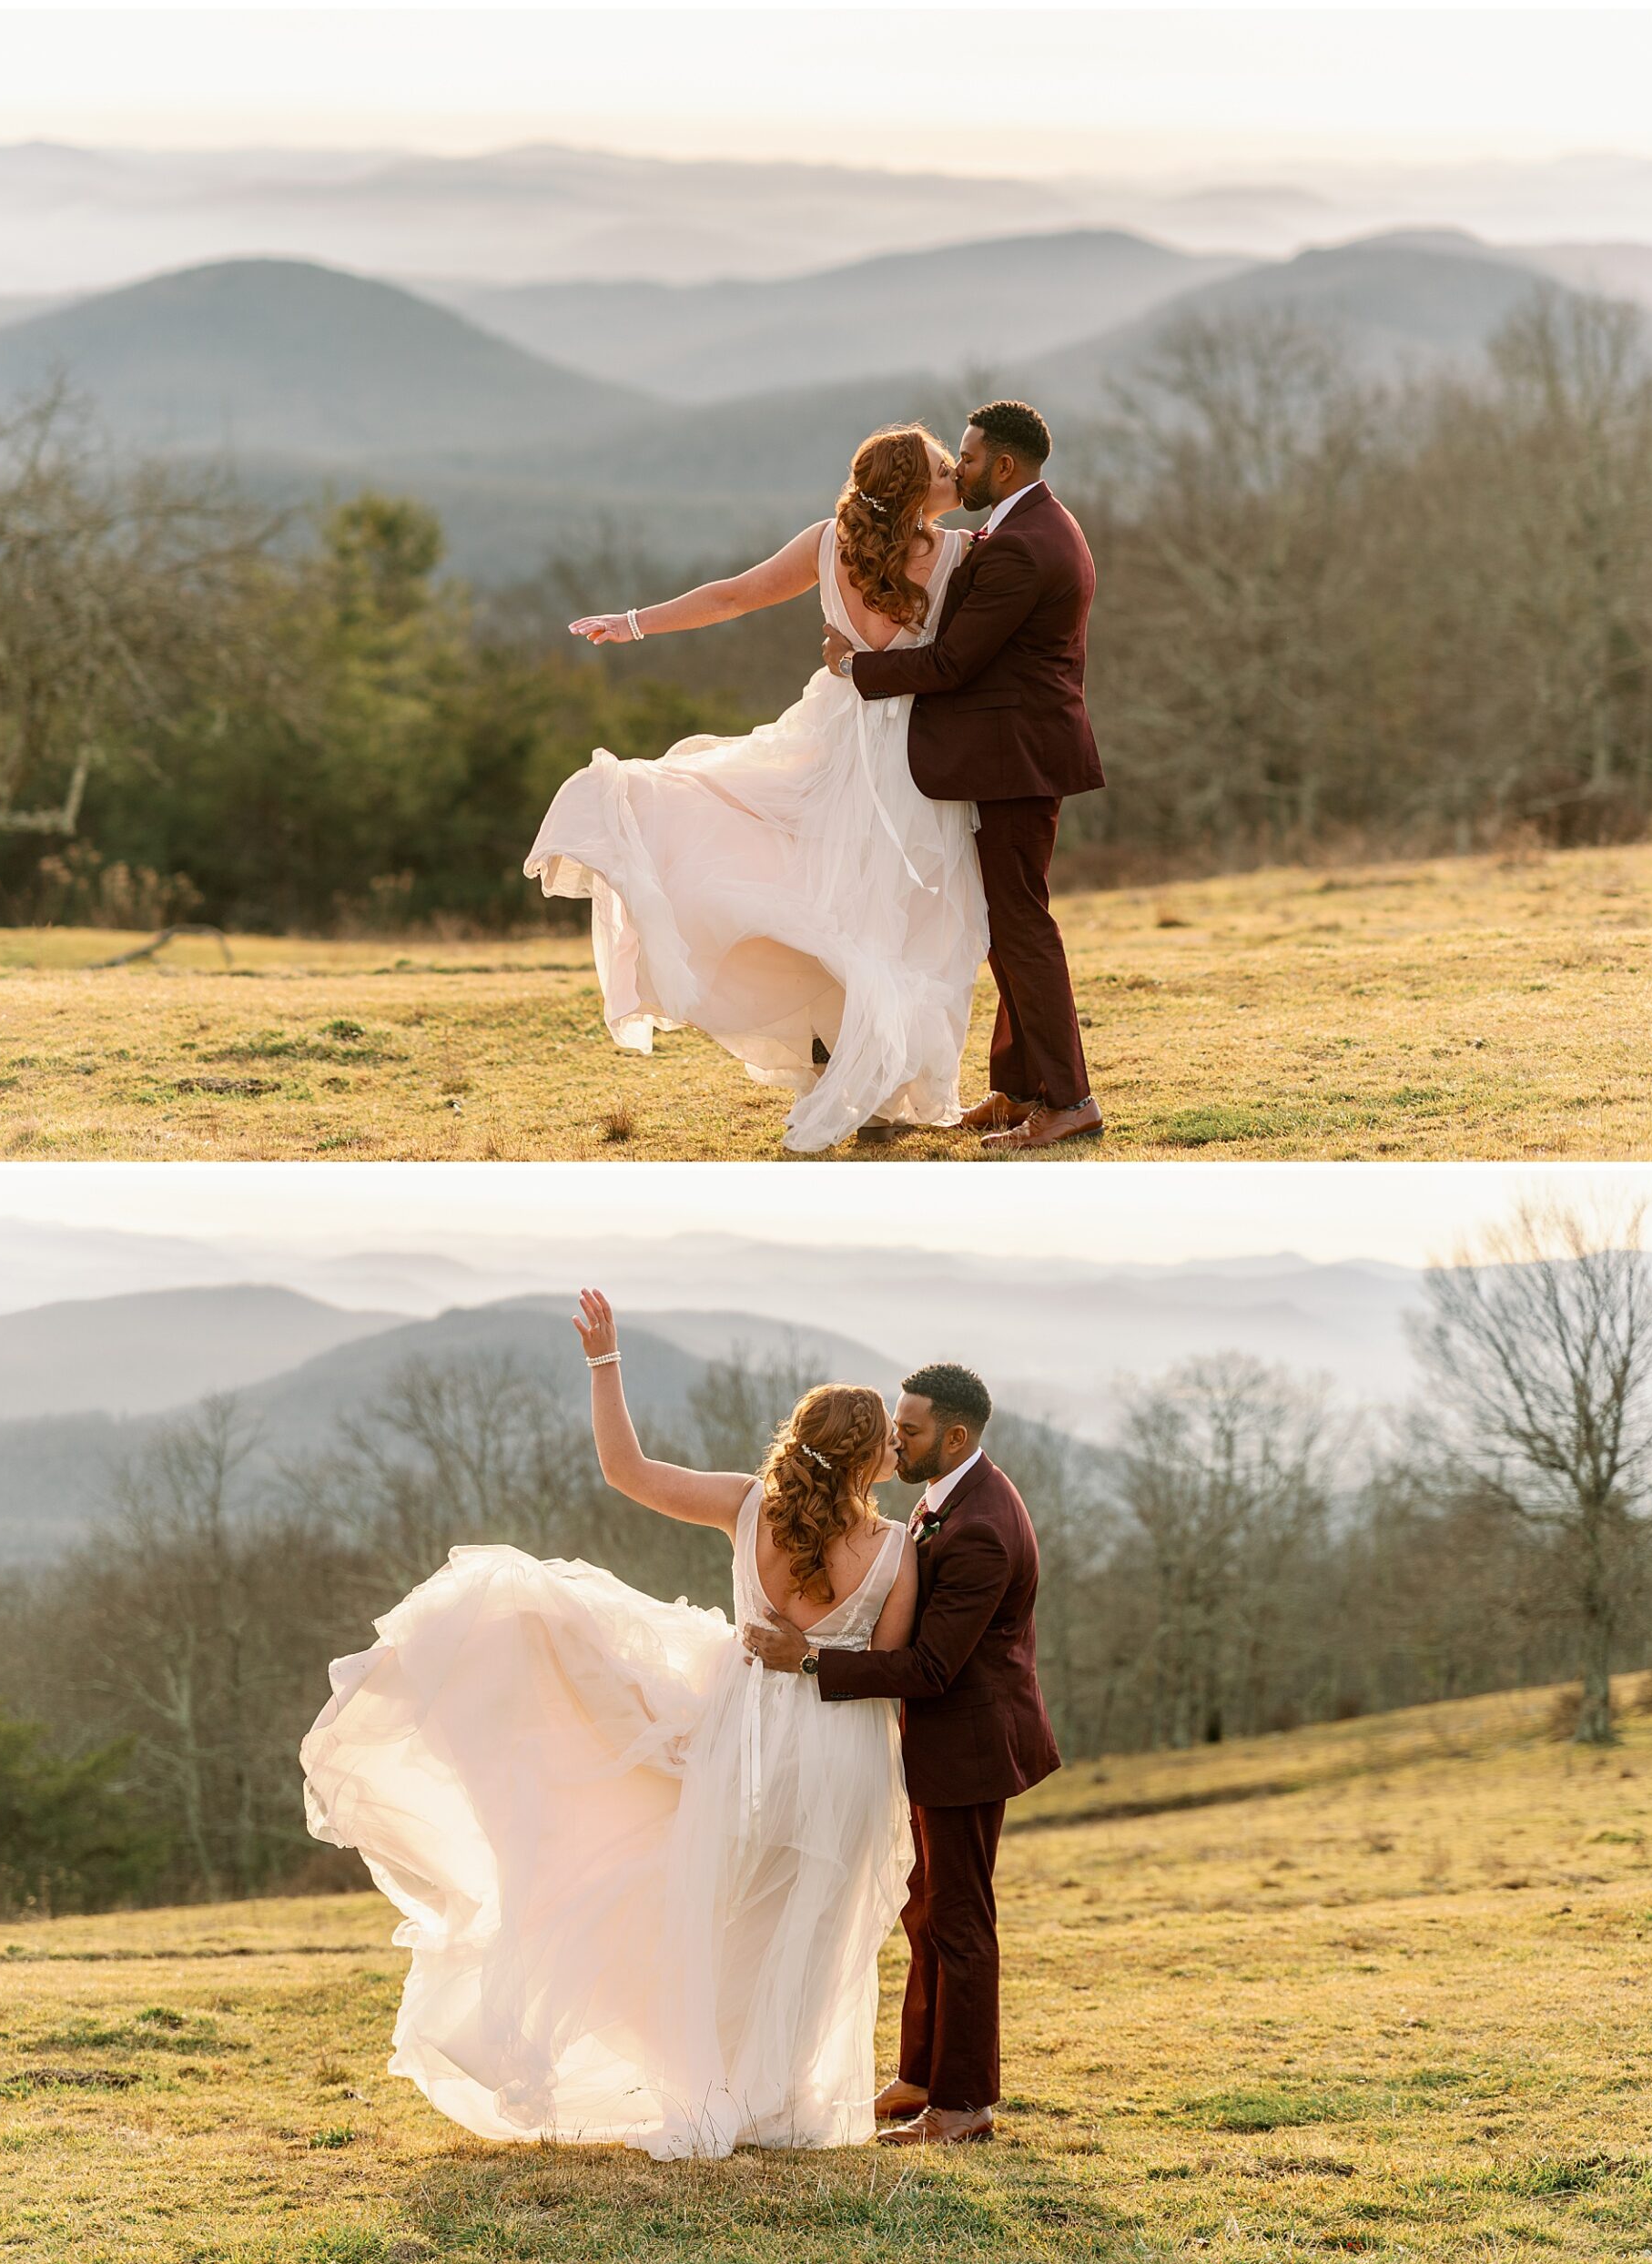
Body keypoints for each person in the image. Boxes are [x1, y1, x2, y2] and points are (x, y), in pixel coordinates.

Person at [299, 1289, 918, 2158]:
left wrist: (604, 1362)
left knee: (720, 1918)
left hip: (740, 1743)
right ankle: (779, 2103)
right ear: (869, 1461)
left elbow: (626, 1471)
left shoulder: (746, 1508)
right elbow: (888, 1676)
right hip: (840, 1753)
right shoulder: (897, 1551)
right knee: (808, 1932)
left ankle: (715, 2090)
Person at [524, 423, 988, 1151]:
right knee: (899, 916)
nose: (956, 475)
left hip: (831, 732)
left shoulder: (826, 540)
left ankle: (854, 1069)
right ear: (912, 489)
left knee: (827, 894)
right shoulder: (959, 554)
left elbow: (733, 598)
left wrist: (634, 622)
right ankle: (870, 1076)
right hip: (909, 748)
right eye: (941, 468)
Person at [745, 1360, 1060, 2145]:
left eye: (909, 1429)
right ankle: (920, 2075)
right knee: (925, 1913)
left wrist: (812, 1659)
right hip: (937, 1745)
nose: (894, 1438)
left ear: (954, 1437)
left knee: (958, 1921)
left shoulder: (982, 1528)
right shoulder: (947, 1495)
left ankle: (963, 2106)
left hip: (970, 1750)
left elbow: (930, 1668)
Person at [822, 400, 1106, 1151]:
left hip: (1017, 756)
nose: (960, 468)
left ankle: (1069, 1100)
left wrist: (858, 666)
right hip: (1016, 750)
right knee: (1005, 926)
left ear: (1004, 466)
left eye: (971, 458)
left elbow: (952, 664)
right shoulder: (1040, 524)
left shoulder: (1019, 546)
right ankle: (1018, 1090)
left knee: (1022, 927)